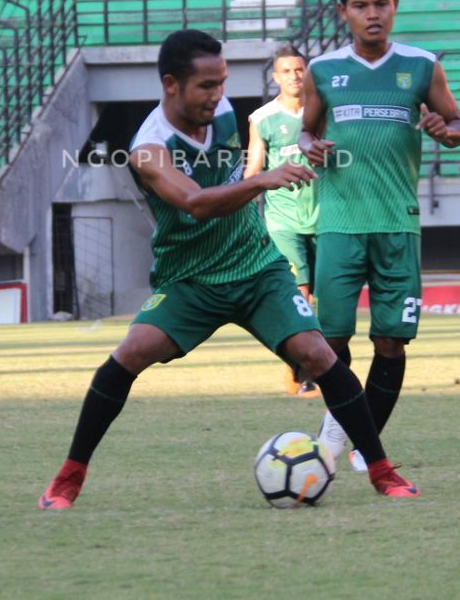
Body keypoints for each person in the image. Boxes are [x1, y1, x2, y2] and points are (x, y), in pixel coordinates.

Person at [39, 29, 420, 508]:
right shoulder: (148, 150)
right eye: (206, 85)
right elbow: (196, 203)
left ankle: (381, 471)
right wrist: (263, 180)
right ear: (171, 84)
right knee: (130, 353)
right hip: (190, 280)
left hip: (257, 268)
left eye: (222, 82)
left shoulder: (219, 113)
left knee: (319, 355)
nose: (218, 95)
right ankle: (69, 477)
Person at [298, 0, 460, 471]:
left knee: (391, 340)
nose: (372, 15)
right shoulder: (322, 70)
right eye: (360, 6)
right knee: (328, 341)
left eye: (381, 4)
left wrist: (446, 130)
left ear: (395, 6)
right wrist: (311, 145)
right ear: (343, 12)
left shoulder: (421, 66)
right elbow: (306, 130)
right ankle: (340, 431)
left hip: (397, 221)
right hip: (338, 222)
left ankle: (359, 443)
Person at [246, 43, 321, 398]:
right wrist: (245, 217)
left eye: (298, 69)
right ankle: (304, 372)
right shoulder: (262, 119)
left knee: (327, 300)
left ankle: (317, 364)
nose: (294, 76)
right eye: (286, 71)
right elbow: (253, 171)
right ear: (275, 77)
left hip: (326, 217)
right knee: (299, 293)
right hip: (283, 220)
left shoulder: (323, 112)